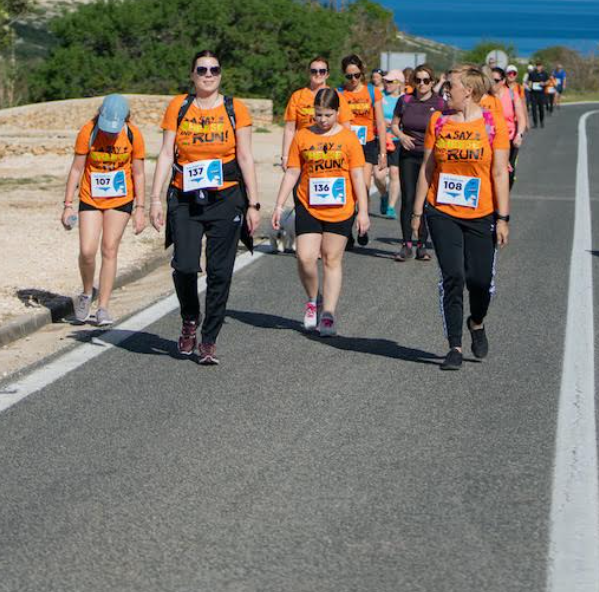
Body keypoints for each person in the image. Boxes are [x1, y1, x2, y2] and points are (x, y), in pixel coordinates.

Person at [150, 50, 261, 365]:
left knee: (220, 272)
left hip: (225, 197)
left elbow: (246, 157)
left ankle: (209, 340)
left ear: (221, 74)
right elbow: (166, 155)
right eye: (202, 69)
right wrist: (155, 199)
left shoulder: (235, 109)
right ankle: (189, 318)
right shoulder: (179, 106)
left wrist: (253, 203)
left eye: (214, 69)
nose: (208, 75)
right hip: (185, 196)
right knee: (184, 265)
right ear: (192, 74)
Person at [411, 66, 510, 371]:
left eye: (450, 87)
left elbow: (498, 173)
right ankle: (453, 346)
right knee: (453, 276)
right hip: (442, 212)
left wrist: (503, 217)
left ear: (467, 90)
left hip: (481, 214)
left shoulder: (493, 124)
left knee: (480, 282)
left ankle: (476, 322)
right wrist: (417, 213)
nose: (444, 91)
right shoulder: (438, 122)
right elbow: (427, 169)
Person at [273, 88, 369, 336]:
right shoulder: (303, 136)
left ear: (337, 112)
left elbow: (357, 175)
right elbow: (293, 171)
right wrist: (279, 204)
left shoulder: (349, 139)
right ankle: (312, 299)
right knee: (305, 257)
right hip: (308, 205)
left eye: (327, 115)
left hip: (341, 208)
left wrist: (363, 212)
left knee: (331, 259)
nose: (322, 120)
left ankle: (328, 314)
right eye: (318, 115)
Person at [61, 94, 146, 326]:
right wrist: (68, 205)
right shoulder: (88, 132)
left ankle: (104, 307)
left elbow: (138, 172)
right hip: (91, 197)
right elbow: (77, 170)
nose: (109, 132)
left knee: (109, 248)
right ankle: (87, 293)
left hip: (120, 199)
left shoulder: (133, 134)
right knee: (87, 250)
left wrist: (140, 208)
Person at [389, 63, 447, 262]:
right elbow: (394, 125)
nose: (421, 84)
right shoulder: (405, 100)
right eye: (418, 80)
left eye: (426, 80)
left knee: (426, 201)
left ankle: (422, 244)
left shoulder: (440, 104)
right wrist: (402, 136)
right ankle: (406, 244)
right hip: (409, 155)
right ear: (413, 81)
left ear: (432, 82)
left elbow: (447, 127)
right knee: (408, 199)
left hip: (431, 158)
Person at [339, 54, 387, 246]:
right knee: (347, 188)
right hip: (345, 145)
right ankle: (346, 229)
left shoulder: (372, 92)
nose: (353, 80)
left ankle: (362, 224)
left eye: (356, 75)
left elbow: (381, 123)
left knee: (363, 187)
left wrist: (383, 152)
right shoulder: (339, 93)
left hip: (366, 144)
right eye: (349, 76)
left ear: (362, 73)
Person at [281, 57, 351, 170]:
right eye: (314, 71)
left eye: (322, 71)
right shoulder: (297, 96)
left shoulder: (336, 96)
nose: (318, 74)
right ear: (309, 73)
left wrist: (347, 154)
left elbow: (346, 127)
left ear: (327, 74)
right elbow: (290, 129)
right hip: (302, 152)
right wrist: (285, 156)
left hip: (330, 153)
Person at [491, 67, 527, 189]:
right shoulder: (485, 97)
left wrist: (519, 135)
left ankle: (505, 192)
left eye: (495, 80)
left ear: (502, 81)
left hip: (509, 139)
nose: (492, 84)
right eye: (490, 80)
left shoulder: (512, 95)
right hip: (491, 139)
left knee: (508, 172)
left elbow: (521, 118)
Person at [377, 69, 406, 219]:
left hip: (397, 140)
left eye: (390, 81)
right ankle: (383, 195)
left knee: (395, 173)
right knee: (378, 174)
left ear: (399, 83)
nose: (386, 84)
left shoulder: (405, 99)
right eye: (385, 81)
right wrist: (382, 123)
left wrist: (396, 125)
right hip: (381, 139)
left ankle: (391, 206)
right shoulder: (381, 97)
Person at [526, 61, 550, 128]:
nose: (538, 67)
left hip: (541, 94)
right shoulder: (532, 73)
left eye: (539, 66)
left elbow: (548, 81)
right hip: (533, 93)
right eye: (537, 66)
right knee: (533, 109)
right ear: (535, 66)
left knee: (541, 108)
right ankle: (535, 123)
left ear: (542, 66)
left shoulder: (544, 73)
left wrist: (544, 83)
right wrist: (530, 85)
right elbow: (529, 81)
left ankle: (541, 121)